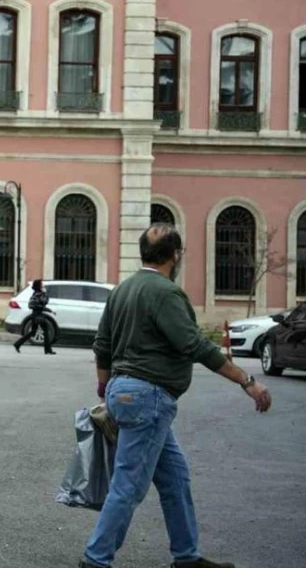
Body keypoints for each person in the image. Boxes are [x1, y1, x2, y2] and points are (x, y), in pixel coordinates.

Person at [79, 223, 272, 568]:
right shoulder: (166, 293)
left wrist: (105, 388)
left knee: (175, 476)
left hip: (126, 391)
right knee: (129, 485)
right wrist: (246, 380)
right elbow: (193, 344)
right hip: (148, 396)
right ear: (176, 255)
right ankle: (96, 559)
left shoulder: (122, 289)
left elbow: (102, 346)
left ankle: (186, 556)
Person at [14, 279, 56, 354]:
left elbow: (40, 305)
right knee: (46, 331)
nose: (43, 286)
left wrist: (49, 310)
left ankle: (17, 344)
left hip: (36, 315)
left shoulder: (37, 294)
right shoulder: (38, 294)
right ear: (39, 286)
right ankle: (48, 350)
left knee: (33, 332)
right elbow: (41, 303)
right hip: (38, 315)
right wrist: (45, 294)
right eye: (42, 285)